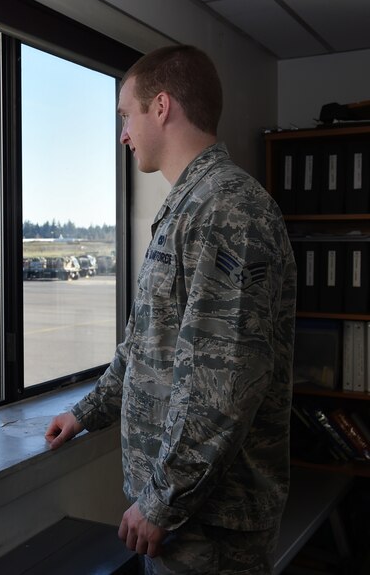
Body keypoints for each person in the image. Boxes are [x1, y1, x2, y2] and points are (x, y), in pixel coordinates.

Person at [45, 45, 296, 574]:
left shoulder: (227, 209)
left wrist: (163, 499)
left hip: (209, 525)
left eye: (125, 115)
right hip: (183, 512)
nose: (123, 134)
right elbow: (147, 346)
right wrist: (85, 413)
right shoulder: (190, 206)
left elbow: (224, 384)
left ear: (161, 107)